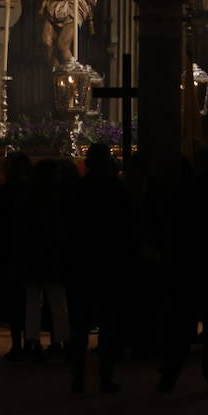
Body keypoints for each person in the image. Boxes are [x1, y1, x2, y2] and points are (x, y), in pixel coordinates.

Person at [64, 143, 131, 394]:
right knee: (108, 323)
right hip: (108, 264)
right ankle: (105, 375)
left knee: (79, 325)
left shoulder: (76, 190)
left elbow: (68, 227)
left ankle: (78, 377)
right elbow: (126, 227)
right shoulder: (116, 189)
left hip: (81, 264)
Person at [157, 146, 208, 393]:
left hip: (186, 265)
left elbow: (172, 227)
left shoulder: (185, 190)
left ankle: (170, 374)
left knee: (181, 326)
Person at [16, 158, 70, 362]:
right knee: (58, 301)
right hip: (53, 255)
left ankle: (32, 341)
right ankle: (63, 341)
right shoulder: (59, 198)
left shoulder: (26, 198)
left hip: (32, 255)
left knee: (32, 301)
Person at [0, 152, 32, 360]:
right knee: (29, 299)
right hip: (29, 251)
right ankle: (30, 343)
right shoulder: (33, 190)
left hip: (11, 252)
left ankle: (17, 343)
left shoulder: (6, 190)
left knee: (14, 299)